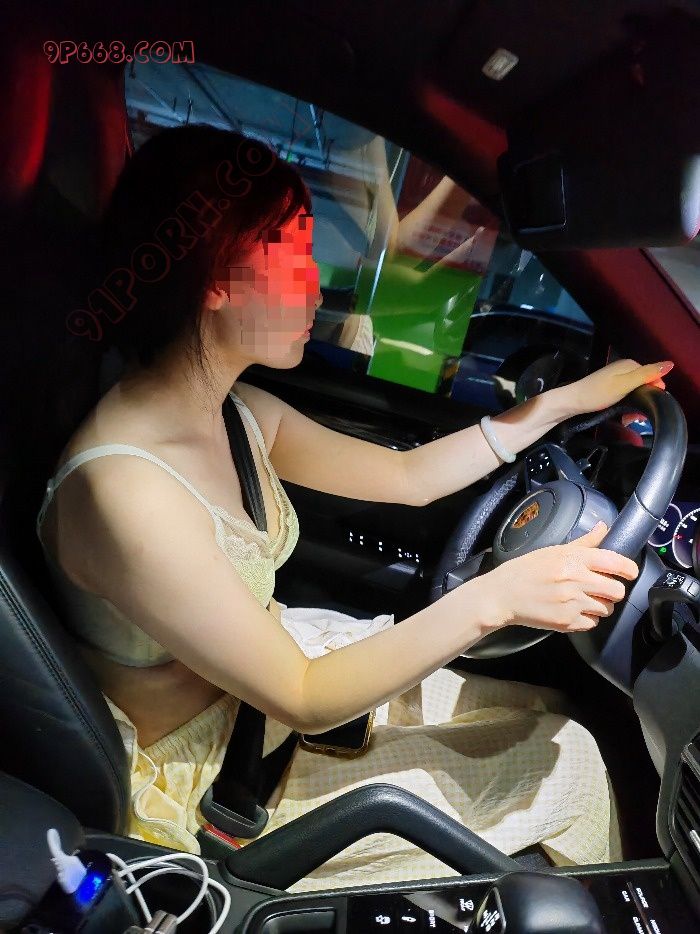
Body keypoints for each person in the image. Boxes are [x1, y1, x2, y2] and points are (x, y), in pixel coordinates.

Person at [36, 125, 673, 893]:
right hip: (224, 783)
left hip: (268, 689)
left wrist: (559, 405)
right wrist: (498, 598)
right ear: (215, 277)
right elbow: (304, 697)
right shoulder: (123, 491)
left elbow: (409, 477)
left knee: (547, 705)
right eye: (295, 256)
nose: (317, 284)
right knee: (573, 766)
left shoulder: (236, 413)